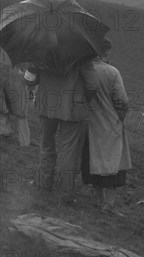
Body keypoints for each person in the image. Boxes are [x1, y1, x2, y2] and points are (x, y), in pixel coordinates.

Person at [24, 58, 97, 202]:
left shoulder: (42, 50)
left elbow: (29, 80)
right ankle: (66, 193)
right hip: (72, 109)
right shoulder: (82, 55)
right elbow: (93, 85)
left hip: (47, 105)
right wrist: (83, 98)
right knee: (69, 152)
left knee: (46, 146)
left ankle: (43, 183)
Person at [81, 37, 131, 217]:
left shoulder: (83, 69)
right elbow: (122, 101)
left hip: (89, 123)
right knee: (113, 165)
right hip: (109, 124)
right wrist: (120, 118)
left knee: (94, 161)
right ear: (104, 52)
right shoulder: (112, 72)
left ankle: (99, 200)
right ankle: (108, 205)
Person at [0, 48, 30, 146]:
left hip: (16, 79)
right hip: (6, 79)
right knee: (3, 107)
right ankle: (4, 131)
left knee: (20, 111)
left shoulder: (17, 48)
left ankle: (24, 141)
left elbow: (25, 66)